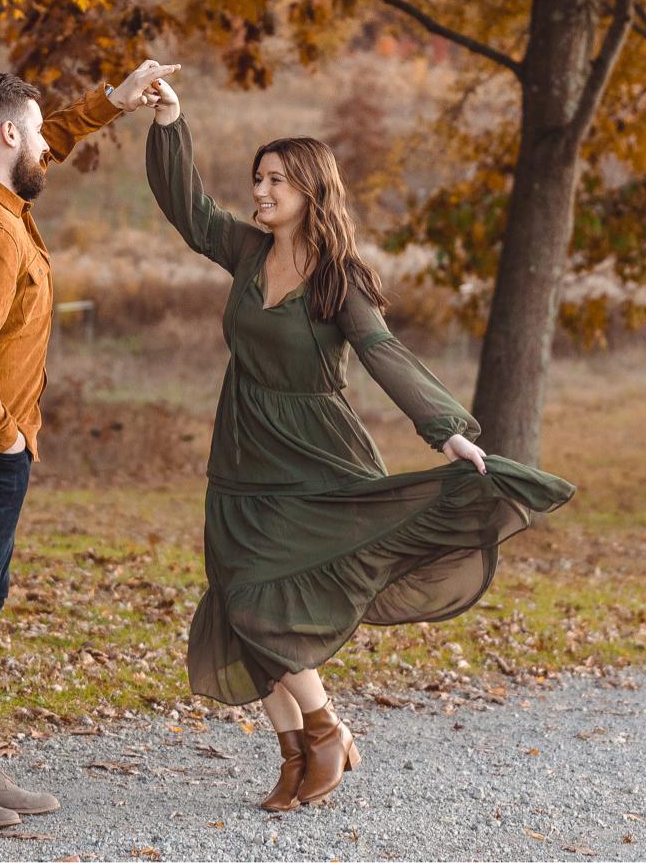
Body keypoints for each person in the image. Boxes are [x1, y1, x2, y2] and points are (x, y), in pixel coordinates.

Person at [141, 76, 575, 812]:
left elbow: (383, 353)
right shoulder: (247, 252)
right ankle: (294, 757)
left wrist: (448, 431)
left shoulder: (341, 281)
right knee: (235, 595)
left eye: (277, 178)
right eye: (258, 177)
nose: (262, 189)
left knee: (258, 602)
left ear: (312, 189)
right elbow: (188, 210)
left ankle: (325, 729)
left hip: (313, 458)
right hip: (243, 453)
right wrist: (170, 121)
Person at [0, 60, 178, 829]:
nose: (43, 151)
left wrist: (111, 105)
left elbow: (45, 138)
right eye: (31, 132)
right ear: (7, 134)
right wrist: (7, 435)